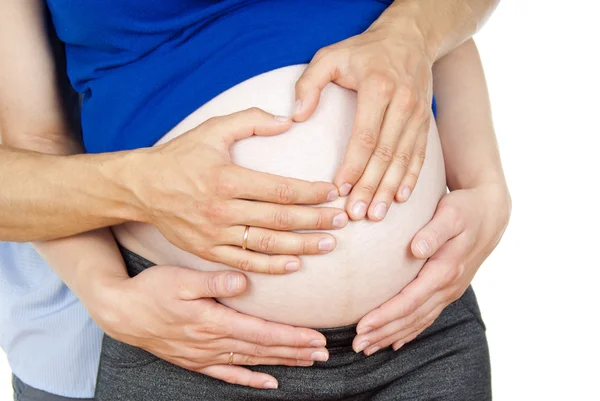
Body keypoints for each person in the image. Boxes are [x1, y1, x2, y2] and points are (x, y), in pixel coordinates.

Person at [0, 0, 509, 400]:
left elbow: (435, 25)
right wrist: (106, 290)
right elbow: (35, 145)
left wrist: (485, 182)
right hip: (195, 349)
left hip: (420, 331)